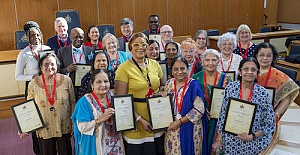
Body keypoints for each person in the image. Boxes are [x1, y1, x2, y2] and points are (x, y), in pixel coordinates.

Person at [115, 32, 164, 155]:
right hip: (136, 121)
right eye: (136, 45)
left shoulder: (155, 64)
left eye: (143, 44)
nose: (140, 47)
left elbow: (163, 85)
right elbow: (121, 101)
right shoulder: (123, 68)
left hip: (156, 118)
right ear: (130, 47)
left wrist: (161, 94)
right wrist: (140, 120)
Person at [213, 57, 276, 154]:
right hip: (231, 140)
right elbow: (223, 115)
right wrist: (219, 138)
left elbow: (270, 124)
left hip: (254, 141)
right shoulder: (231, 88)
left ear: (257, 73)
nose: (249, 72)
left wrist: (251, 136)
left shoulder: (263, 93)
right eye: (246, 69)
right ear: (240, 72)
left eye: (253, 69)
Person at [22, 53, 75, 155]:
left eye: (52, 64)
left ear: (57, 66)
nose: (49, 67)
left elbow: (72, 102)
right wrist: (25, 126)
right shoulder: (33, 84)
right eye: (46, 65)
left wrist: (73, 123)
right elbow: (29, 107)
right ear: (40, 67)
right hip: (44, 127)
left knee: (65, 152)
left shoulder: (66, 81)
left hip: (63, 125)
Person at [15, 21, 51, 155]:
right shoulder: (23, 54)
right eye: (32, 36)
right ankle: (39, 150)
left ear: (41, 35)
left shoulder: (47, 49)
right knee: (37, 120)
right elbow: (18, 76)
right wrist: (33, 76)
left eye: (37, 35)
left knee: (48, 115)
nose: (35, 38)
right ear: (27, 38)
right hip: (33, 88)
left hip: (48, 86)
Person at [71, 69, 125, 155]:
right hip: (95, 145)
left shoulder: (112, 96)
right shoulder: (84, 102)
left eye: (106, 81)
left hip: (115, 143)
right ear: (92, 85)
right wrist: (101, 119)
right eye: (98, 82)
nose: (103, 85)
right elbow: (82, 127)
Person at [163, 56, 208, 155]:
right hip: (172, 127)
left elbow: (199, 110)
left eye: (182, 68)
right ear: (172, 71)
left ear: (187, 69)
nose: (179, 72)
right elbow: (165, 103)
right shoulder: (169, 83)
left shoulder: (193, 84)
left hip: (191, 128)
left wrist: (180, 121)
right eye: (176, 69)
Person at [192, 49, 231, 154]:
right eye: (207, 60)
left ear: (218, 62)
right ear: (202, 62)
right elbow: (192, 99)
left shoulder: (226, 79)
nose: (210, 63)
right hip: (201, 118)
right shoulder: (195, 78)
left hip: (219, 120)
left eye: (214, 60)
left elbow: (231, 101)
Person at [254, 42, 299, 120]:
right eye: (261, 55)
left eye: (268, 55)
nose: (265, 58)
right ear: (256, 56)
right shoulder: (250, 72)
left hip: (268, 117)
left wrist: (276, 114)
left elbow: (287, 98)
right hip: (250, 112)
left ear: (273, 57)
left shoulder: (279, 76)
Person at [57, 27, 95, 98]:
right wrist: (67, 70)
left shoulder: (90, 50)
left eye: (80, 37)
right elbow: (58, 70)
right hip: (70, 86)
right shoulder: (62, 51)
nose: (78, 39)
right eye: (75, 37)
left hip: (87, 86)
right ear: (70, 37)